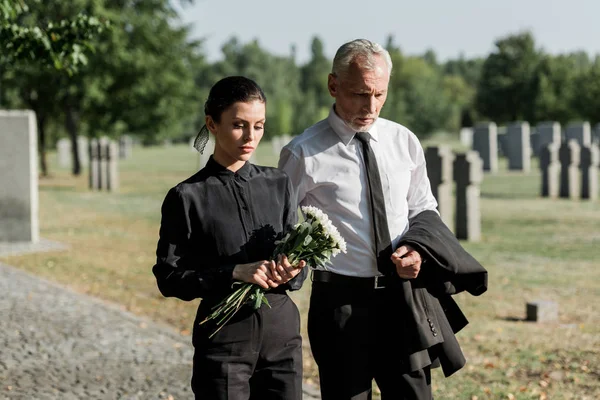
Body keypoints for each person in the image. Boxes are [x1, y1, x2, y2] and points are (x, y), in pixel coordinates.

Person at [279, 39, 487, 400]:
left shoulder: (403, 140)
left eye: (379, 94)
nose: (370, 106)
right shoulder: (303, 152)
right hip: (339, 306)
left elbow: (423, 209)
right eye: (360, 93)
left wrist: (417, 251)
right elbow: (281, 228)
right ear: (333, 86)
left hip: (402, 300)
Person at [153, 76, 308, 400]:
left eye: (259, 125)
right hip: (224, 343)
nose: (251, 137)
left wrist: (294, 270)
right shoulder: (187, 196)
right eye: (239, 125)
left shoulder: (279, 184)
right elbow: (169, 278)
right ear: (212, 123)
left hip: (283, 338)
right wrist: (233, 273)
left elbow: (298, 266)